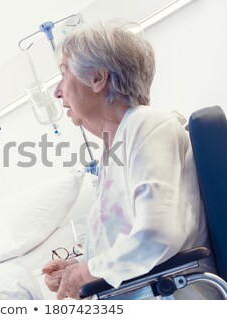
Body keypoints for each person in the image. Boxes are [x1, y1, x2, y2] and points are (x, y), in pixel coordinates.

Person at [42, 20, 219, 300]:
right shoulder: (114, 149)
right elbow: (126, 242)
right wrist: (78, 268)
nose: (57, 91)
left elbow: (158, 235)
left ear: (98, 79)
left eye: (64, 74)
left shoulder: (147, 125)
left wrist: (88, 273)